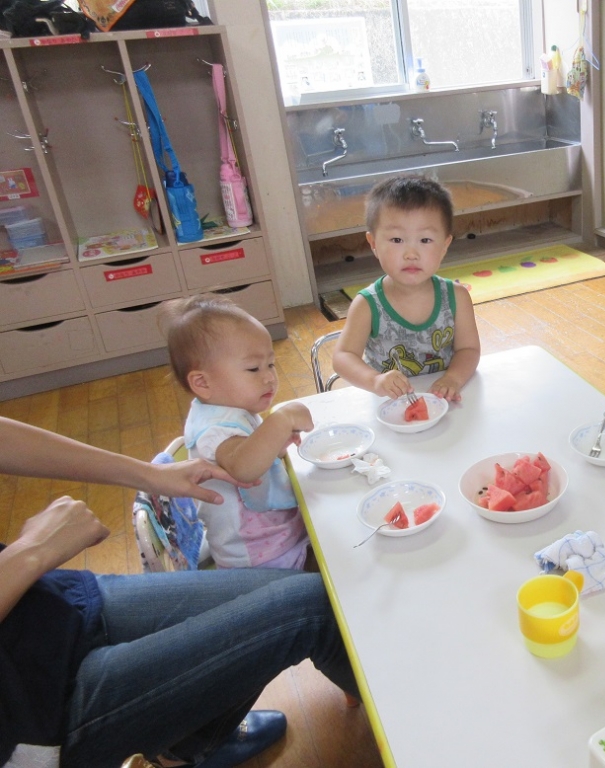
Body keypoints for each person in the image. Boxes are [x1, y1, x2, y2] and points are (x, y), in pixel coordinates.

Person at [0, 416, 357, 766]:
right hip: (33, 708)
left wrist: (149, 475)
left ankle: (186, 747)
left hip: (48, 603)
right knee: (312, 608)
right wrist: (30, 553)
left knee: (280, 595)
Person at [160, 294, 313, 570]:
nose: (269, 377)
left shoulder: (226, 407)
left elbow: (251, 452)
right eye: (253, 368)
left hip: (278, 536)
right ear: (202, 383)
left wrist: (274, 446)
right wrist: (281, 420)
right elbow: (243, 467)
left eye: (270, 364)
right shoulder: (214, 429)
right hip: (262, 557)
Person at [332, 175, 481, 402]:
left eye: (425, 240)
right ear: (373, 243)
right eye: (397, 240)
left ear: (444, 245)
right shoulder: (367, 305)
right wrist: (374, 380)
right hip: (388, 406)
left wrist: (453, 379)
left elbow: (468, 349)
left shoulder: (457, 297)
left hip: (443, 402)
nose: (411, 254)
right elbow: (343, 356)